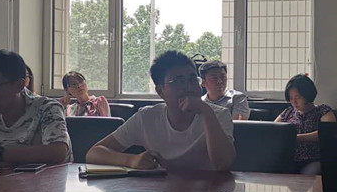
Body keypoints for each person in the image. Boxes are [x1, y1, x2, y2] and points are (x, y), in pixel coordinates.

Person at [86, 50, 235, 171]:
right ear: (160, 91)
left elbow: (224, 164)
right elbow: (94, 153)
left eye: (192, 79)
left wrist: (206, 112)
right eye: (179, 81)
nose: (189, 87)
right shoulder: (147, 117)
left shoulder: (218, 115)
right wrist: (130, 160)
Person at [274, 74, 336, 174]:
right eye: (291, 98)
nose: (294, 102)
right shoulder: (288, 112)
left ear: (308, 95)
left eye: (298, 97)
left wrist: (297, 138)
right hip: (288, 158)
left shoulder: (323, 110)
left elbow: (327, 132)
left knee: (311, 173)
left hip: (313, 159)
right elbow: (273, 130)